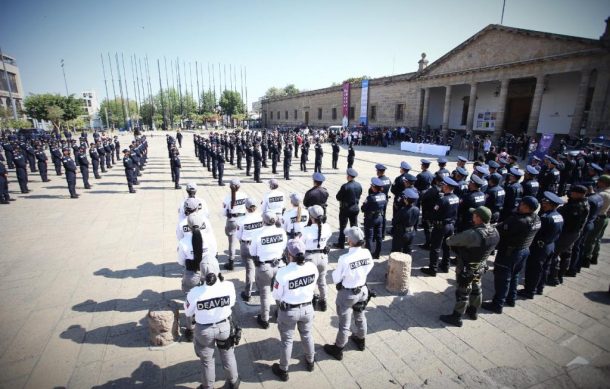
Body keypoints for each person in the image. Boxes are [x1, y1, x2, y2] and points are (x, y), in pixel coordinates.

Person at [440, 206, 500, 327]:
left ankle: (457, 317)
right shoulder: (495, 231)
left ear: (478, 218)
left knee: (463, 291)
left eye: (474, 215)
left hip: (467, 267)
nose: (472, 216)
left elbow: (450, 241)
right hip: (481, 265)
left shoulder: (472, 234)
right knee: (477, 287)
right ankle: (473, 312)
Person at [482, 196, 541, 313]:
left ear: (526, 207)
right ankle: (511, 298)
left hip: (510, 253)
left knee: (502, 278)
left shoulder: (518, 220)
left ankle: (497, 304)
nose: (519, 205)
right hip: (524, 250)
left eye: (522, 204)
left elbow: (500, 230)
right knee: (515, 275)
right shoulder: (537, 218)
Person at [271, 238, 319, 381]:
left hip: (289, 311)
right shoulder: (312, 267)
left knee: (287, 340)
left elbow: (276, 295)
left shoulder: (283, 272)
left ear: (289, 255)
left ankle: (283, 370)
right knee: (307, 335)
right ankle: (310, 362)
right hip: (307, 309)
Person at [323, 226, 374, 360]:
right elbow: (370, 266)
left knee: (344, 323)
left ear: (350, 241)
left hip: (348, 294)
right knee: (360, 316)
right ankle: (361, 340)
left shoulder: (344, 258)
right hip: (362, 290)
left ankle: (338, 349)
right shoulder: (367, 253)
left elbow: (335, 278)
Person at [184, 271, 241, 389]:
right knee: (228, 355)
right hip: (224, 327)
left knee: (207, 360)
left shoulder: (195, 293)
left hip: (204, 331)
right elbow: (232, 303)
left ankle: (208, 386)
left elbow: (188, 312)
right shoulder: (228, 286)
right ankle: (233, 382)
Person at [178, 212, 220, 341]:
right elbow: (214, 255)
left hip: (192, 273)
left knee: (189, 300)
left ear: (188, 226)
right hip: (208, 271)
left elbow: (180, 261)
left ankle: (190, 329)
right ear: (202, 224)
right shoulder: (209, 238)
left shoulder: (184, 242)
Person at [518, 192, 564, 299]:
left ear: (550, 204)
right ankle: (540, 288)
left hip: (540, 248)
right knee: (545, 268)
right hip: (551, 245)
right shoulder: (559, 216)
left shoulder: (545, 217)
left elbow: (536, 232)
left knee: (534, 269)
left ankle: (529, 291)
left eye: (545, 202)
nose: (543, 203)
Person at [250, 211, 287, 329]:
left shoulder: (258, 234)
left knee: (265, 294)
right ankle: (280, 313)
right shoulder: (281, 232)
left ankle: (264, 319)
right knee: (279, 292)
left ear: (263, 221)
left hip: (265, 267)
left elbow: (252, 252)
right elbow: (284, 247)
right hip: (280, 265)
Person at [547, 185, 589, 285]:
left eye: (573, 192)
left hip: (567, 234)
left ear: (579, 194)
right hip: (574, 233)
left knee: (555, 255)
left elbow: (563, 216)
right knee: (566, 254)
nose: (571, 193)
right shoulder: (584, 203)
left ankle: (553, 277)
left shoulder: (575, 207)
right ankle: (560, 275)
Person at [421, 176, 460, 276]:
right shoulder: (456, 198)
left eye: (443, 185)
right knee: (447, 247)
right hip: (451, 225)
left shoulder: (442, 200)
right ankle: (445, 266)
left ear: (446, 186)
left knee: (435, 248)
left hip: (440, 226)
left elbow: (434, 213)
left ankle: (433, 269)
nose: (442, 186)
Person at [302, 205, 331, 311]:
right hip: (323, 257)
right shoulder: (327, 227)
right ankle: (323, 301)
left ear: (311, 217)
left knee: (310, 281)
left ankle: (313, 298)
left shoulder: (306, 230)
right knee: (322, 280)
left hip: (310, 258)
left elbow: (301, 244)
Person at [236, 198, 263, 302]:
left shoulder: (241, 220)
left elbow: (238, 236)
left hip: (246, 245)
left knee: (249, 270)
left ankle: (248, 293)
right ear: (255, 207)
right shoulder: (261, 217)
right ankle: (261, 289)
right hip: (258, 244)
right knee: (259, 268)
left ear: (246, 208)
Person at [222, 179, 249, 270]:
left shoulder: (227, 197)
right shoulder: (244, 195)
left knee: (231, 243)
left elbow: (224, 212)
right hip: (242, 219)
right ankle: (246, 259)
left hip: (232, 220)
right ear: (239, 186)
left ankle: (231, 261)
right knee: (243, 240)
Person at [333, 168, 362, 249]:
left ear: (349, 176)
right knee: (354, 226)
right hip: (355, 208)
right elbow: (359, 195)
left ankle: (341, 243)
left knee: (343, 226)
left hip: (345, 209)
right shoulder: (359, 185)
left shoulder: (345, 186)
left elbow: (338, 197)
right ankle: (356, 241)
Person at [361, 177, 387, 259]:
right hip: (380, 217)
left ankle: (368, 255)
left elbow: (363, 209)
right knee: (379, 237)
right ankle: (377, 254)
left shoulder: (371, 197)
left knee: (369, 237)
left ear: (374, 187)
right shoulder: (383, 195)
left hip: (371, 219)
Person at [391, 188, 420, 253]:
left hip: (401, 233)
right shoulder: (417, 209)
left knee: (396, 250)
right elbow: (416, 222)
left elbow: (394, 222)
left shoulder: (403, 210)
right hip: (411, 232)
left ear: (406, 199)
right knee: (408, 250)